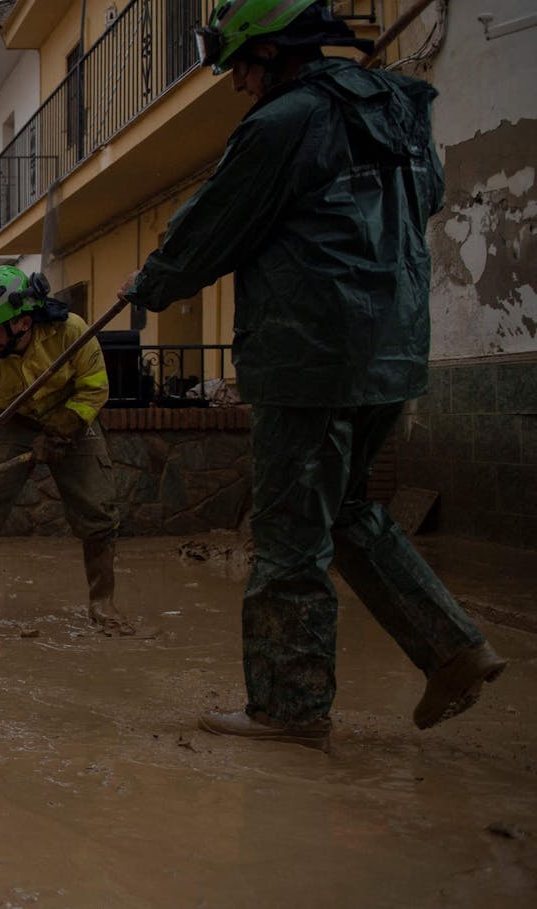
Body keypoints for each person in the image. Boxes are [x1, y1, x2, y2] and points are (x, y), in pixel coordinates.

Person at [120, 0, 504, 750]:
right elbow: (429, 199)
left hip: (309, 352)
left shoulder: (280, 124)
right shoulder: (398, 108)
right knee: (348, 506)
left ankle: (288, 708)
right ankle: (454, 648)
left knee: (291, 531)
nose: (236, 85)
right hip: (394, 348)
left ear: (276, 54)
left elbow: (210, 230)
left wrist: (151, 283)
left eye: (241, 68)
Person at [0, 266, 133, 635]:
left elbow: (95, 388)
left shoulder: (72, 332)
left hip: (73, 420)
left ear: (24, 322)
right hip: (16, 419)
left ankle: (102, 603)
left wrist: (65, 428)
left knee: (98, 512)